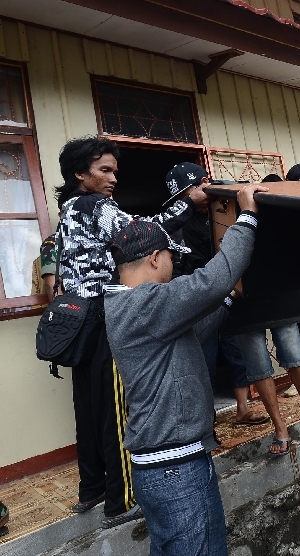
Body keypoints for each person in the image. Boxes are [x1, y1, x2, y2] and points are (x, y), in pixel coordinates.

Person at [54, 136, 210, 527]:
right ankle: (120, 501)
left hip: (76, 321)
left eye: (114, 172)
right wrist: (187, 204)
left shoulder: (68, 209)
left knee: (87, 406)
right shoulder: (94, 205)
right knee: (115, 409)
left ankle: (90, 488)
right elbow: (141, 233)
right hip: (104, 317)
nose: (112, 179)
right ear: (79, 173)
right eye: (104, 170)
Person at [104, 184, 265, 555]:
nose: (175, 266)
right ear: (156, 258)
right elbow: (211, 280)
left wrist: (226, 298)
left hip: (174, 464)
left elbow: (190, 334)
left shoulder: (131, 307)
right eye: (172, 259)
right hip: (174, 470)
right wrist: (247, 217)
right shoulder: (144, 303)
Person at [234, 164, 300, 455]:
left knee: (293, 355)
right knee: (258, 365)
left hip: (278, 292)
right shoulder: (232, 209)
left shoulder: (289, 207)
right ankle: (280, 428)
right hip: (243, 297)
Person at [165, 162, 268, 427]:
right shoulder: (176, 222)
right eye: (181, 198)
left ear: (204, 183)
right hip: (199, 301)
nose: (188, 201)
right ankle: (205, 422)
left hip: (231, 292)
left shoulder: (224, 207)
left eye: (190, 193)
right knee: (203, 362)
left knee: (236, 353)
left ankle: (243, 409)